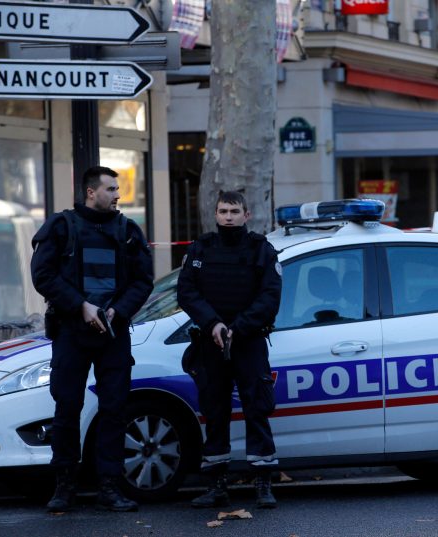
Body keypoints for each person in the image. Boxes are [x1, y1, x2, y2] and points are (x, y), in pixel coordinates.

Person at [31, 166, 154, 513]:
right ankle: (65, 486)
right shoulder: (62, 226)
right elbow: (43, 275)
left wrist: (118, 311)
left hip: (113, 333)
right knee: (67, 408)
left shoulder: (128, 230)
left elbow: (143, 281)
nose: (118, 195)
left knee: (115, 410)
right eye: (112, 189)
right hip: (72, 330)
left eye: (118, 189)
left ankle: (109, 487)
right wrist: (81, 306)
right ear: (90, 192)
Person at [177, 191, 282, 509]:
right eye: (223, 211)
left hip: (248, 342)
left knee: (257, 409)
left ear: (247, 215)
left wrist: (239, 327)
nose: (228, 216)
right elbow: (186, 291)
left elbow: (270, 296)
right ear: (216, 214)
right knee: (215, 412)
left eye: (235, 211)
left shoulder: (261, 249)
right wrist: (214, 325)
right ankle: (217, 484)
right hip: (211, 343)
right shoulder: (201, 248)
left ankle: (263, 482)